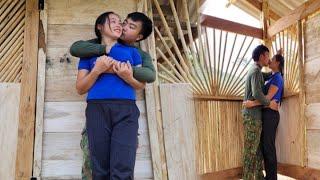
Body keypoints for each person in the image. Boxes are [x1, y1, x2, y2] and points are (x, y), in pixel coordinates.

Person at [70, 12, 155, 180]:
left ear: (139, 37)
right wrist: (97, 70)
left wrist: (127, 76)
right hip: (96, 109)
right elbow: (80, 88)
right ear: (99, 27)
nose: (120, 26)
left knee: (123, 168)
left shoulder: (133, 53)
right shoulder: (88, 52)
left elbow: (141, 84)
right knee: (100, 169)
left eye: (124, 24)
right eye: (116, 21)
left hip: (126, 109)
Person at [243, 53, 284, 180]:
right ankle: (268, 176)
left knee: (269, 147)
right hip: (266, 113)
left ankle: (271, 178)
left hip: (271, 115)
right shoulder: (272, 76)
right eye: (268, 57)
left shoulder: (277, 78)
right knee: (265, 147)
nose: (270, 60)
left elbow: (267, 98)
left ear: (277, 63)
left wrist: (251, 103)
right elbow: (267, 100)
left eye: (272, 59)